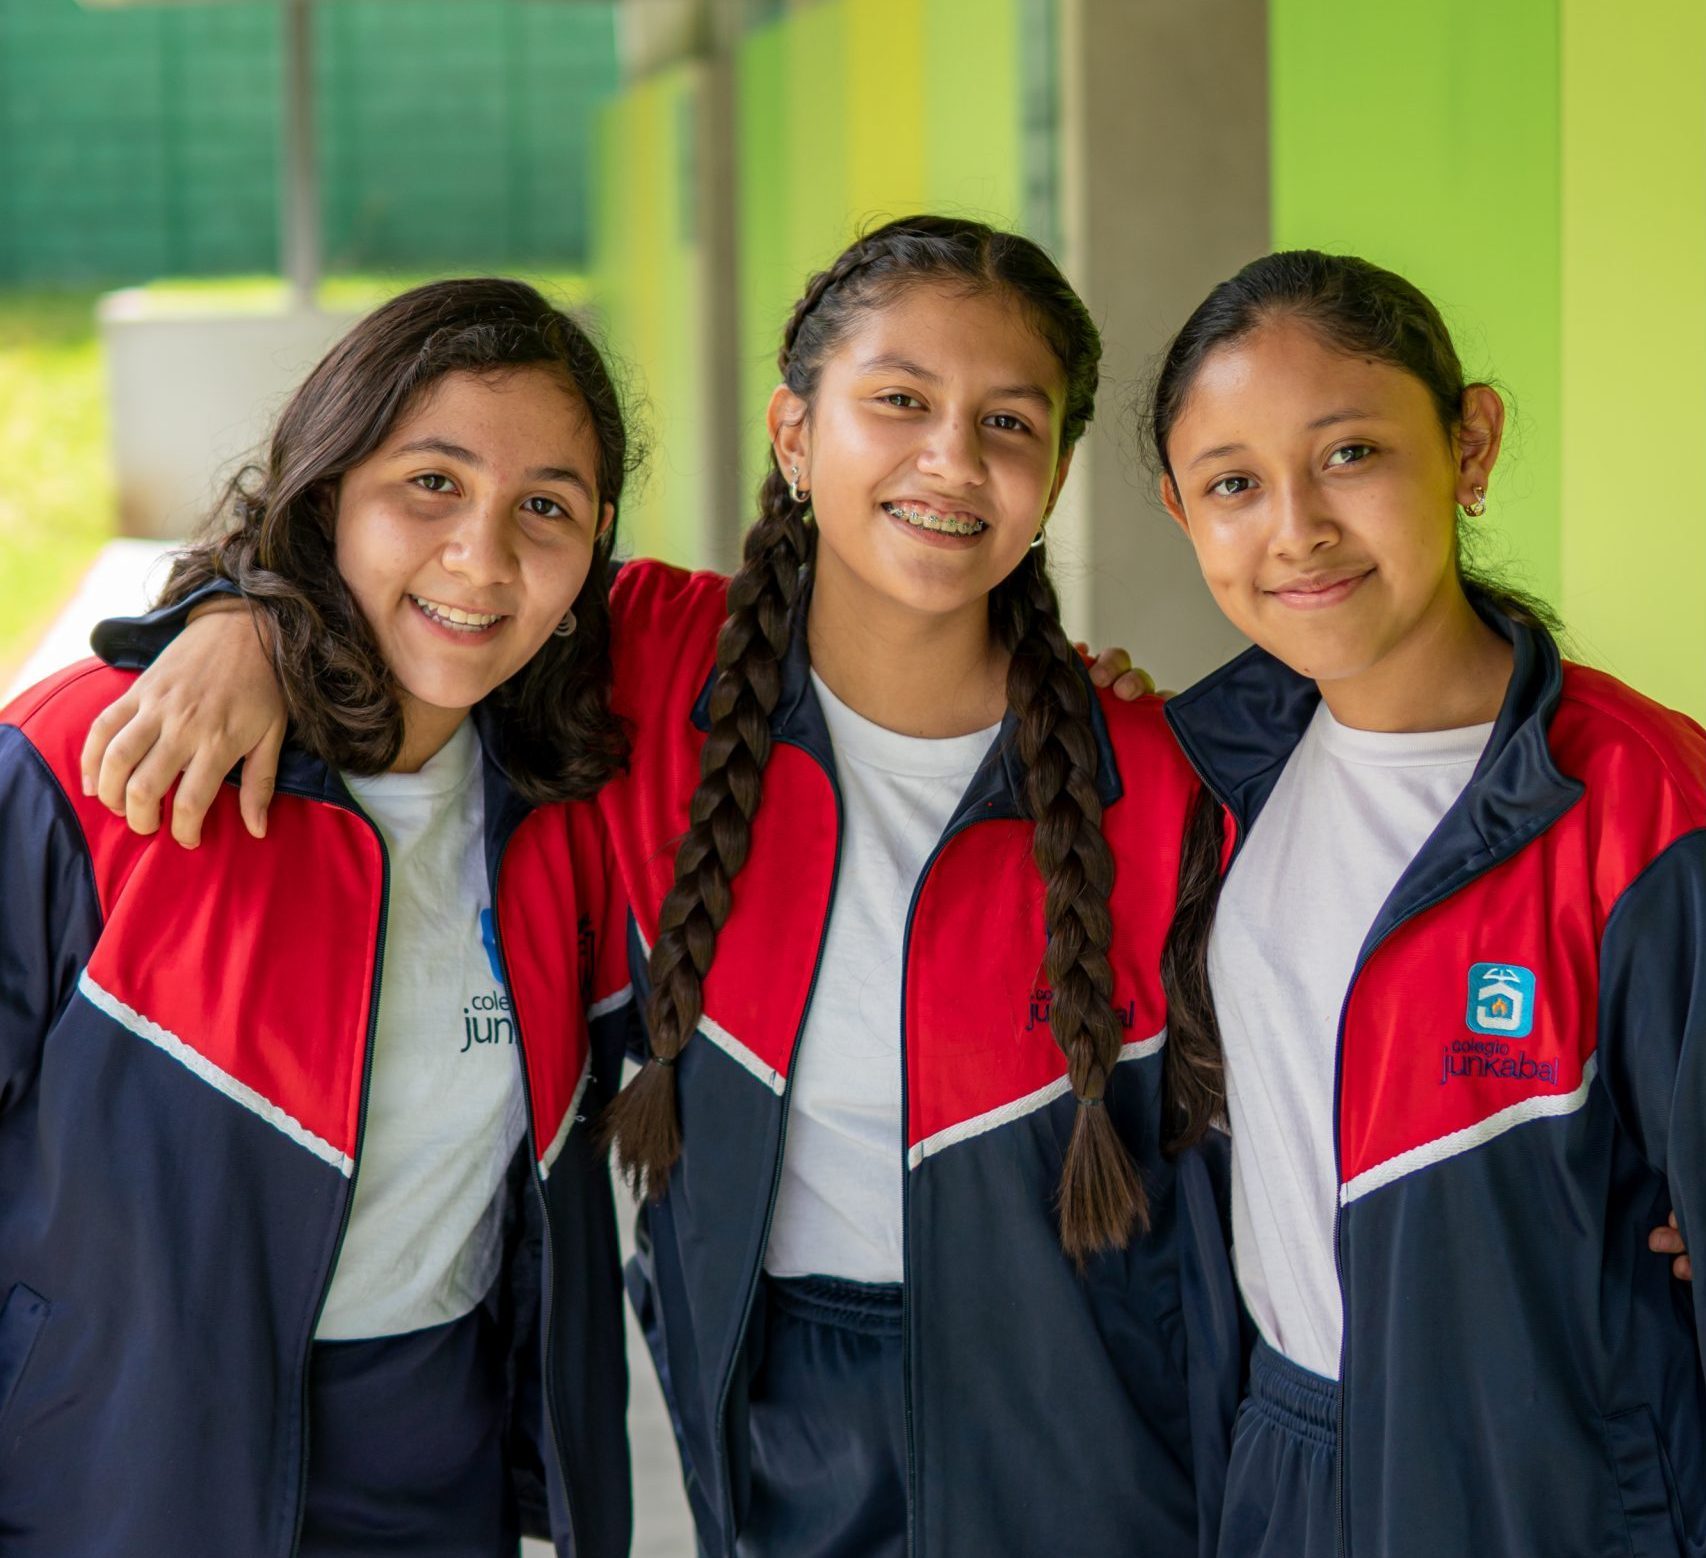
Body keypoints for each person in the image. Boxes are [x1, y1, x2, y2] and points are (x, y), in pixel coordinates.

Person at [73, 217, 1240, 1558]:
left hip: (1093, 1437)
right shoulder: (647, 670)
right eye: (899, 402)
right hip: (774, 1434)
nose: (949, 461)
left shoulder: (1147, 777)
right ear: (794, 436)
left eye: (1008, 423)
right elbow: (429, 574)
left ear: (1056, 469)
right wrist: (239, 618)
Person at [0, 279, 638, 1558]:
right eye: (431, 484)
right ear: (327, 491)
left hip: (432, 1488)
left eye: (545, 509)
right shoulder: (101, 762)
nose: (482, 556)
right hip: (113, 1489)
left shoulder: (579, 815)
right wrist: (235, 608)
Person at [1149, 250, 1706, 1557]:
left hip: (1551, 1494)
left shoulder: (1642, 806)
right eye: (1233, 483)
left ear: (1468, 444)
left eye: (1347, 454)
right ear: (1181, 512)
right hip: (1282, 1463)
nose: (1294, 528)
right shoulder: (1197, 782)